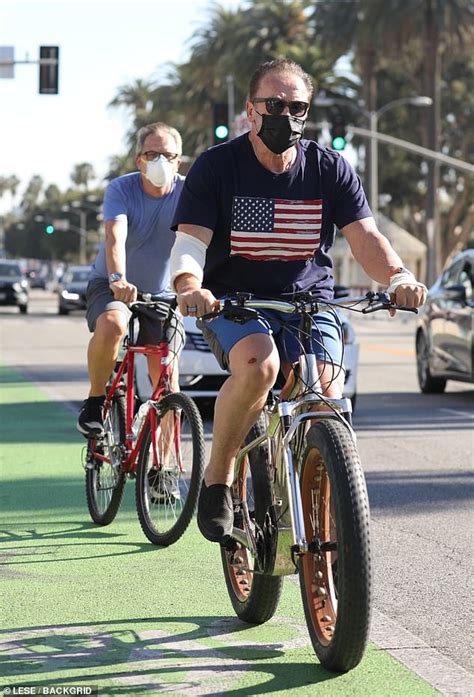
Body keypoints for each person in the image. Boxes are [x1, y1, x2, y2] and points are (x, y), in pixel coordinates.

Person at [169, 58, 427, 543]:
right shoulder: (217, 166)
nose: (284, 115)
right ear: (250, 109)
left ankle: (320, 498)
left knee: (324, 392)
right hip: (233, 302)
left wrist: (397, 277)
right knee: (260, 367)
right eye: (273, 104)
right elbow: (191, 242)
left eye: (297, 107)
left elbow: (365, 236)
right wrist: (189, 287)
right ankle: (219, 478)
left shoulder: (329, 167)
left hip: (309, 304)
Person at [77, 122, 185, 438]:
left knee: (167, 381)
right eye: (152, 154)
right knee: (113, 324)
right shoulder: (121, 189)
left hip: (161, 295)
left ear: (179, 160)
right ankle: (96, 400)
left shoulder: (189, 192)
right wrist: (118, 279)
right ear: (138, 159)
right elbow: (115, 237)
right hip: (111, 284)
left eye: (167, 155)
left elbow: (201, 241)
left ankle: (162, 470)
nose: (160, 161)